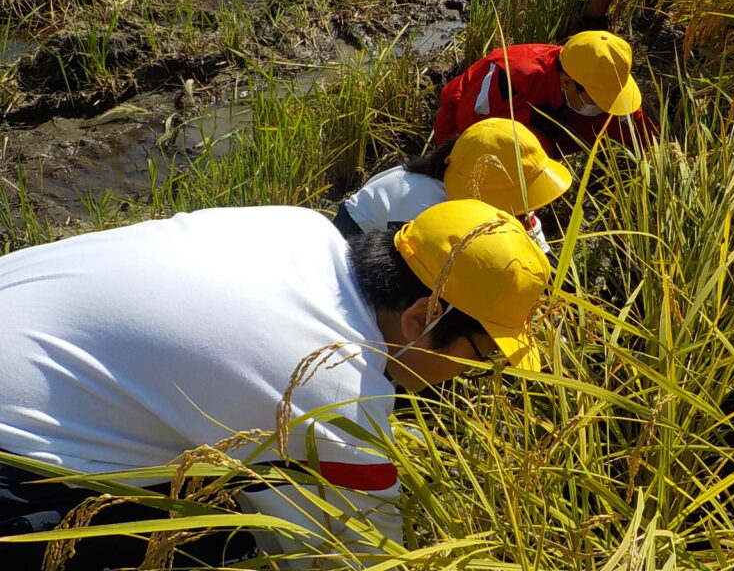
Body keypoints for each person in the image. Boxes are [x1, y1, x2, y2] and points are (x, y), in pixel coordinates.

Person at [0, 200, 551, 569]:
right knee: (223, 539)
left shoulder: (301, 227)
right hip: (13, 456)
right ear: (422, 317)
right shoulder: (334, 397)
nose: (476, 372)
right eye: (482, 354)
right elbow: (359, 556)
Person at [334, 118, 572, 254]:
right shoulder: (423, 205)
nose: (523, 207)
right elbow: (425, 274)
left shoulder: (515, 198)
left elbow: (539, 251)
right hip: (358, 240)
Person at [434, 31, 658, 157]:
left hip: (561, 119)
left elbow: (642, 132)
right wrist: (528, 119)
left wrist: (658, 157)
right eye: (599, 99)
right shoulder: (510, 75)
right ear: (567, 82)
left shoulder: (603, 73)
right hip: (468, 125)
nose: (606, 107)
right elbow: (471, 130)